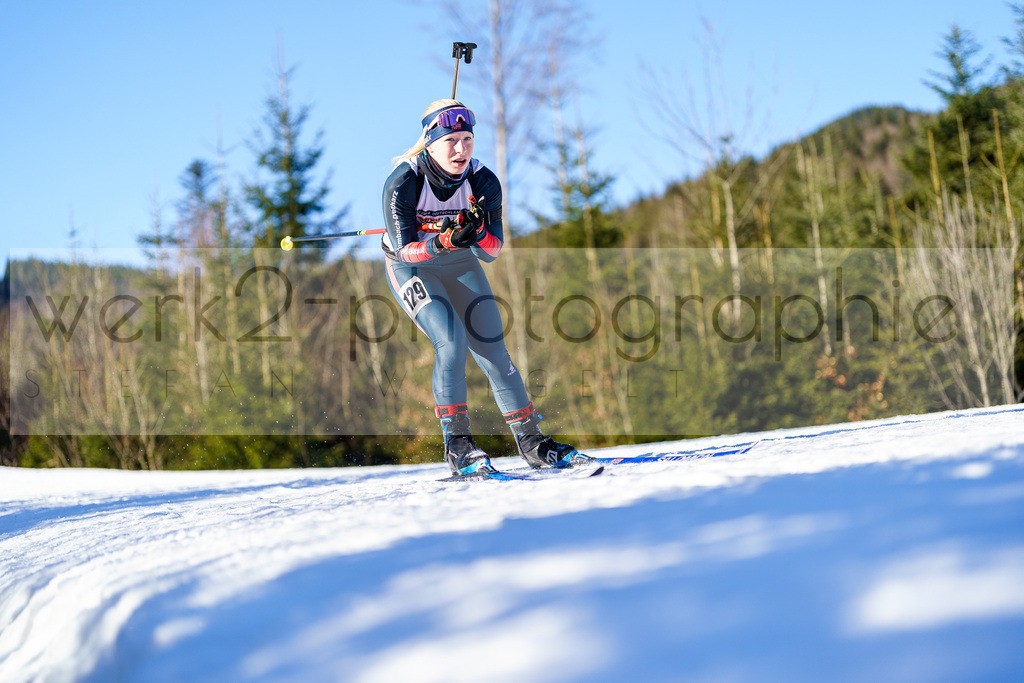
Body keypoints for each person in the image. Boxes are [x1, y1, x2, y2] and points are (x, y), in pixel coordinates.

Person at [381, 98, 589, 476]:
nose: (461, 149)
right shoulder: (403, 182)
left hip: (459, 262)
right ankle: (458, 446)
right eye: (451, 141)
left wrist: (475, 231)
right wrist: (442, 241)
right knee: (451, 341)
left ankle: (532, 442)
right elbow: (405, 251)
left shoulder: (483, 180)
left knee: (492, 345)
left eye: (468, 139)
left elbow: (492, 251)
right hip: (412, 268)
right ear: (430, 143)